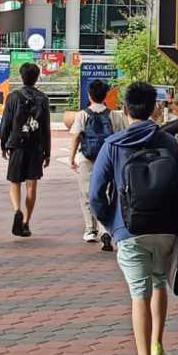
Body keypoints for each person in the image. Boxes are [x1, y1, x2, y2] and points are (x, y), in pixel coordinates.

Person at [91, 82, 178, 355]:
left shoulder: (114, 144)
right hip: (166, 228)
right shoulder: (169, 142)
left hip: (129, 227)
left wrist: (112, 223)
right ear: (155, 108)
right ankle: (158, 348)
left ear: (124, 109)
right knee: (159, 283)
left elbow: (96, 194)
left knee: (138, 294)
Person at [70, 78, 126, 250]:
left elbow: (76, 137)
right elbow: (121, 137)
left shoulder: (82, 114)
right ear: (105, 96)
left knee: (88, 194)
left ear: (89, 95)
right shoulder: (114, 115)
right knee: (108, 194)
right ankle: (106, 231)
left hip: (88, 159)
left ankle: (90, 230)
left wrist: (72, 158)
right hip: (109, 159)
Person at [0, 62, 52, 237]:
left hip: (16, 144)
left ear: (21, 77)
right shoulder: (43, 98)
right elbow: (46, 127)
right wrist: (48, 151)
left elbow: (5, 123)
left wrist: (3, 144)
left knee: (15, 182)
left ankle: (17, 210)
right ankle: (26, 222)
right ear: (36, 78)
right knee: (32, 185)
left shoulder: (13, 96)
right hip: (36, 146)